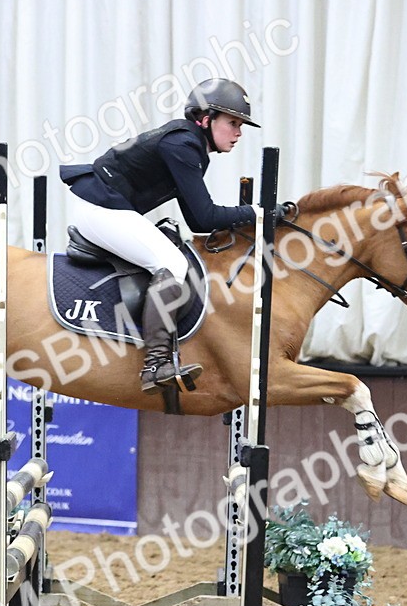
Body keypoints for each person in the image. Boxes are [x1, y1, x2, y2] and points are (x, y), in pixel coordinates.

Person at [60, 78, 260, 394]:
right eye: (232, 123)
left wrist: (249, 215)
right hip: (100, 208)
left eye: (241, 125)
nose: (238, 133)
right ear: (205, 119)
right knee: (172, 264)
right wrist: (257, 213)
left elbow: (197, 220)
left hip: (104, 206)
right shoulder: (182, 145)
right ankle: (155, 364)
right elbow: (206, 216)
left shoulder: (190, 145)